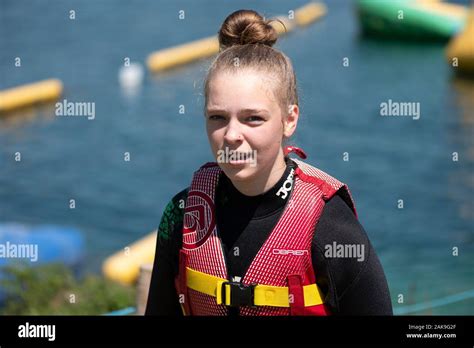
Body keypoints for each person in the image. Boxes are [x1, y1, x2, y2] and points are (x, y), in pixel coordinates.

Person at [146, 9, 392, 316]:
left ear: (289, 120)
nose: (232, 135)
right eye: (217, 117)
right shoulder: (182, 216)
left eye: (253, 118)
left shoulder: (331, 228)